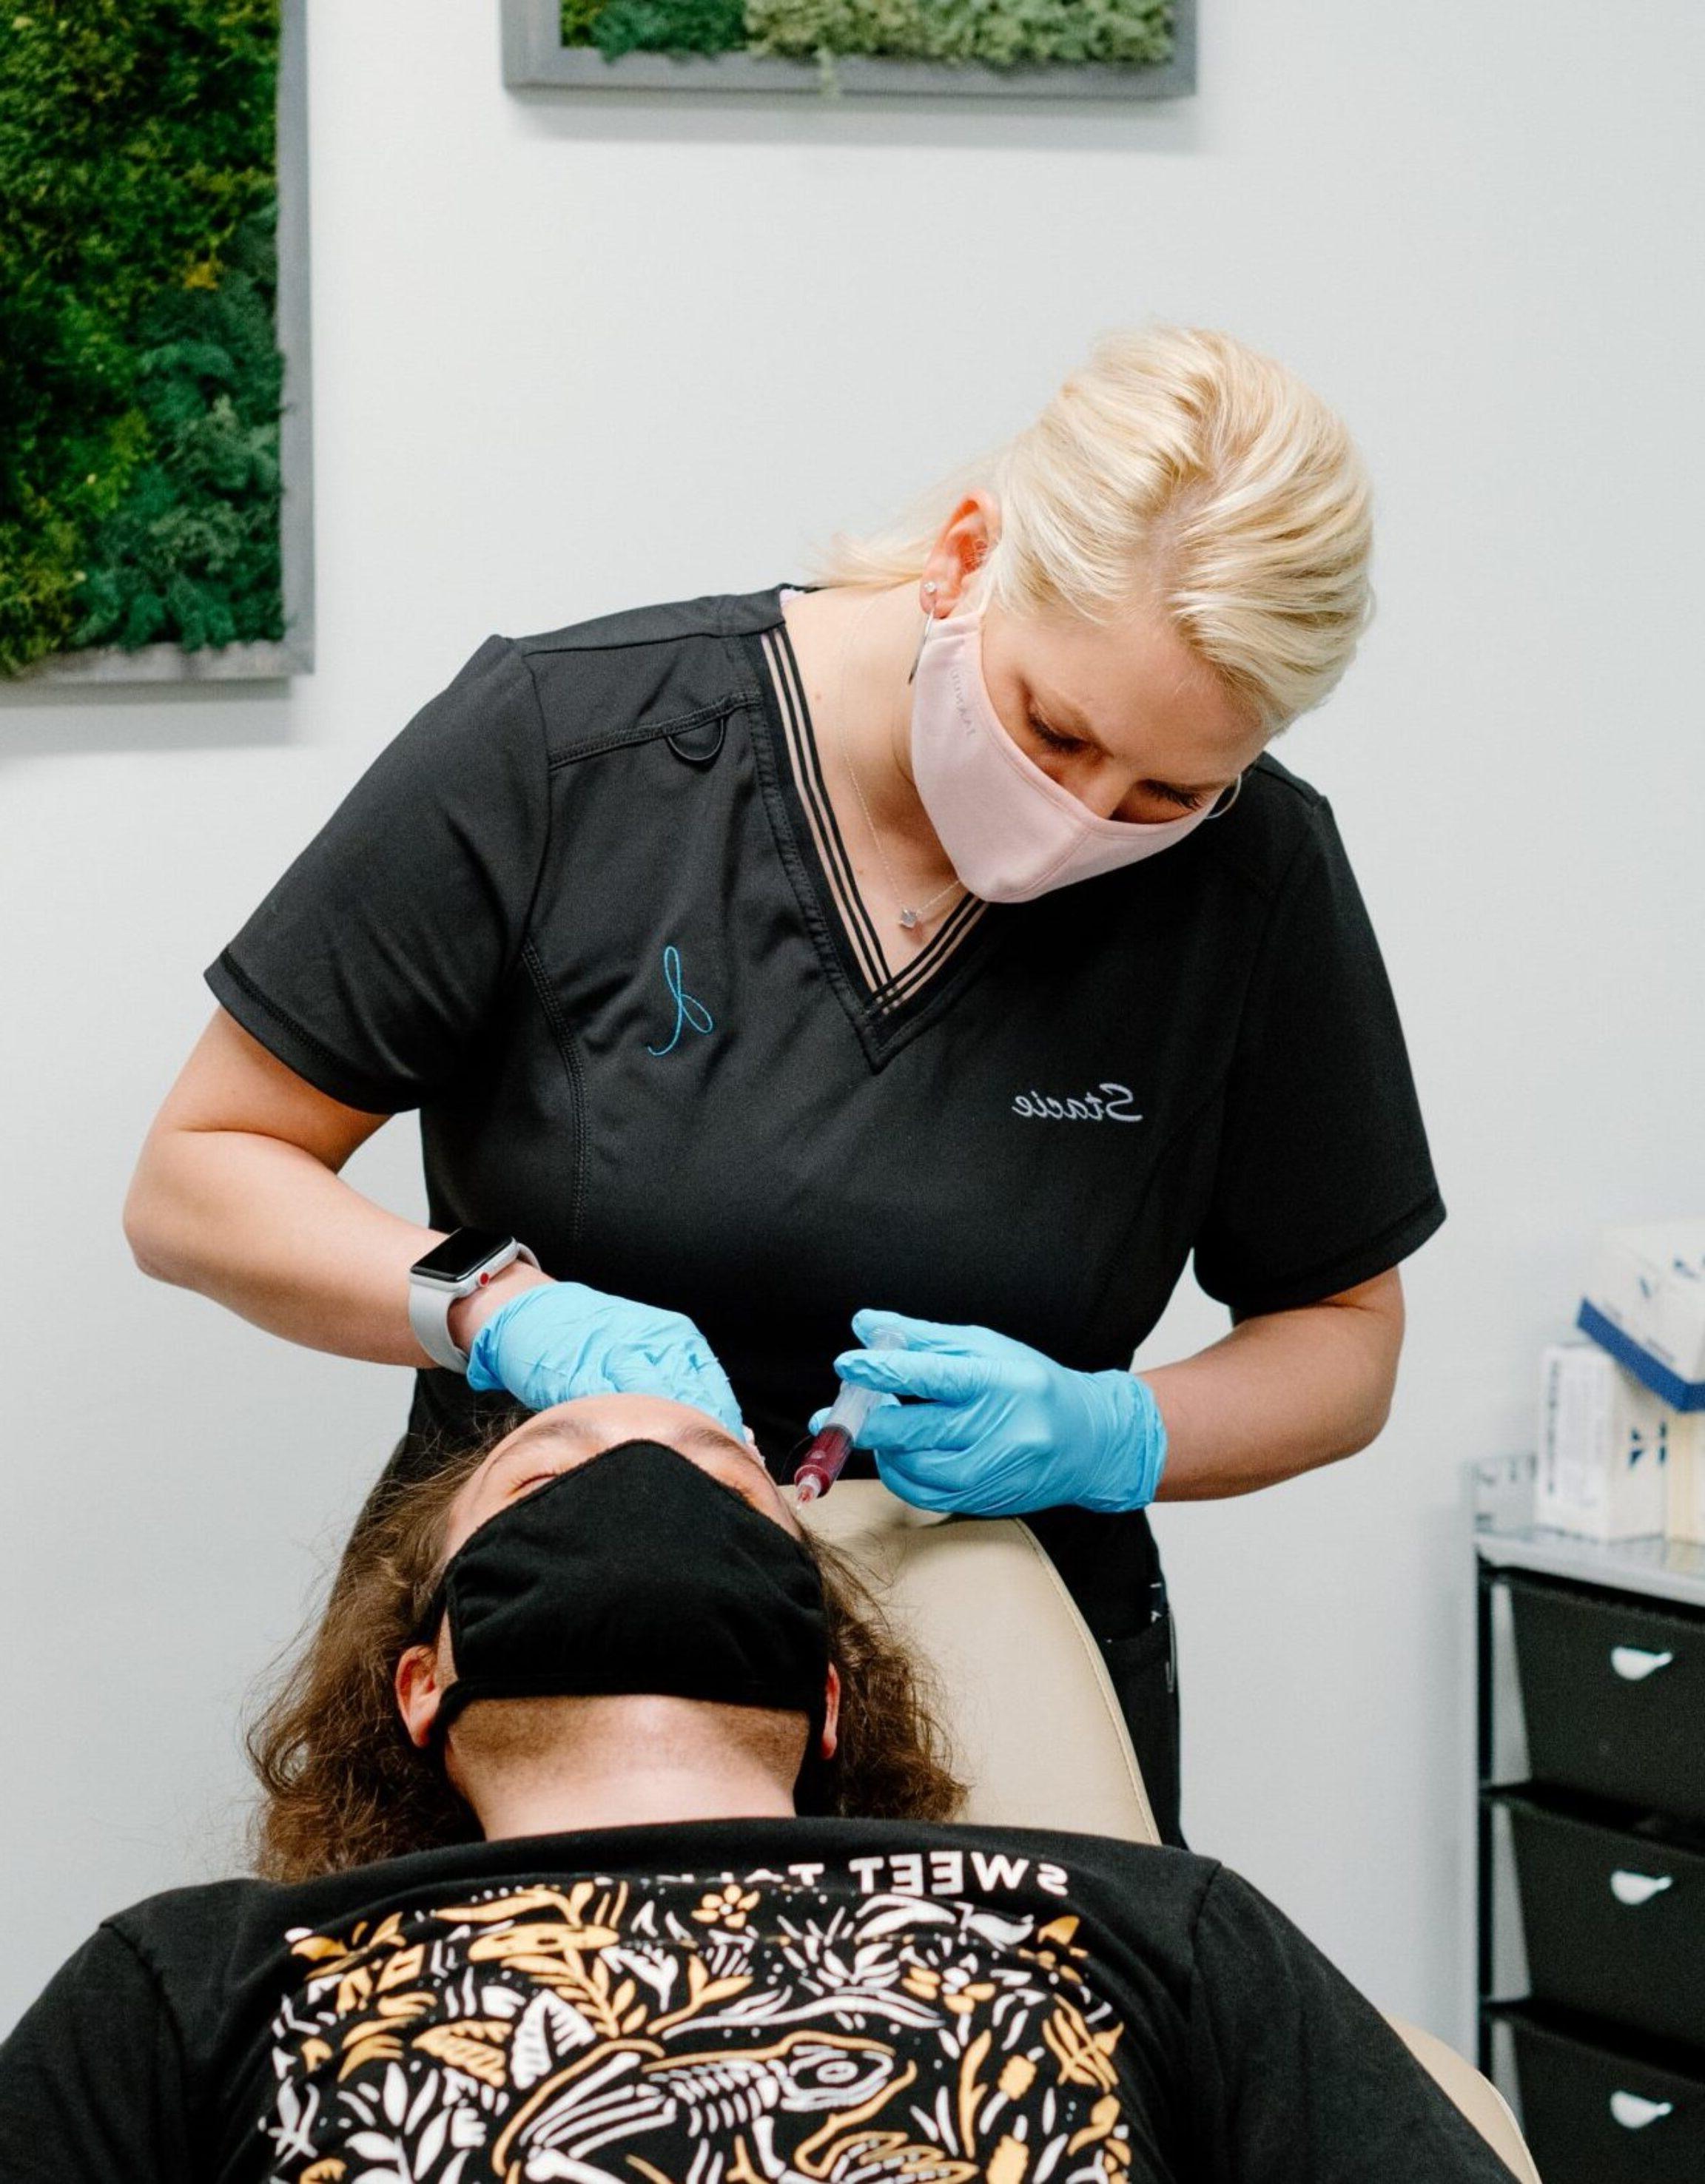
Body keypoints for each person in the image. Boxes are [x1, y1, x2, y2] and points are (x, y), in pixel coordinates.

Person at [122, 322, 1445, 1846]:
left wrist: (1114, 1429)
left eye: (1168, 791)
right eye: (1053, 728)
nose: (1082, 819)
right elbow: (200, 1174)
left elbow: (1343, 1342)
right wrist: (496, 1306)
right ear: (965, 557)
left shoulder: (1254, 877)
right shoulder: (576, 751)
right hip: (549, 1672)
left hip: (995, 1676)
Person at [0, 1397, 1515, 2183]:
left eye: (723, 1486)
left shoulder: (1154, 1930)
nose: (636, 1479)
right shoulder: (191, 1983)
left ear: (830, 1690)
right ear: (420, 1687)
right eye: (545, 1481)